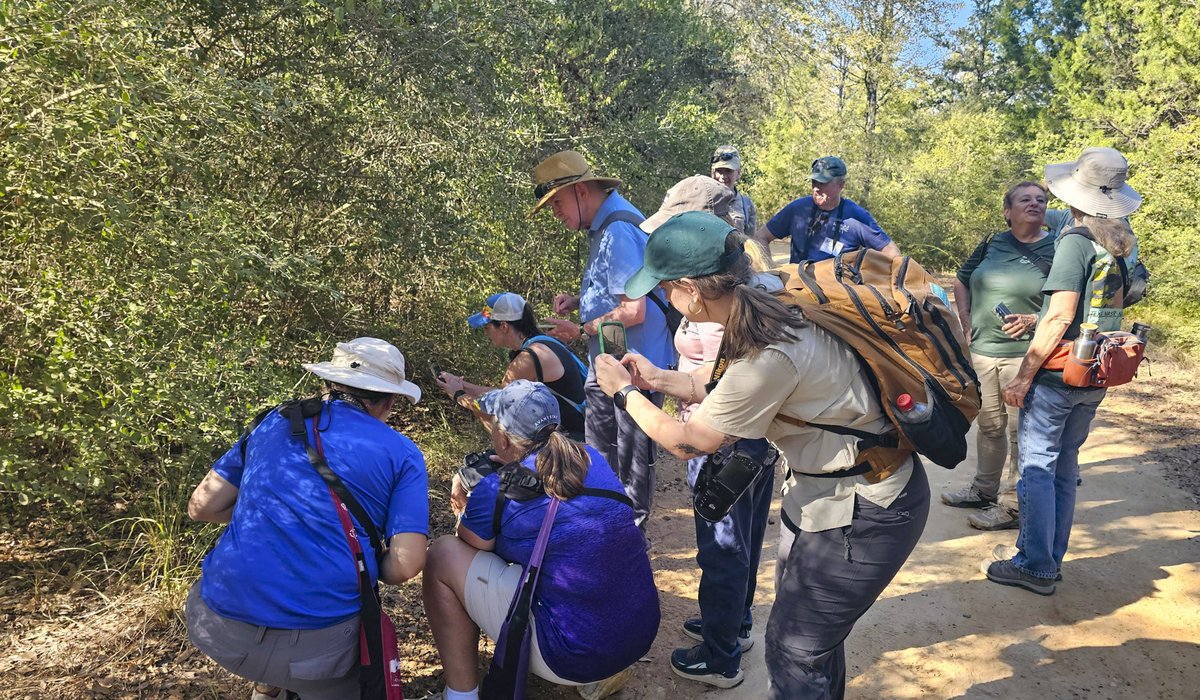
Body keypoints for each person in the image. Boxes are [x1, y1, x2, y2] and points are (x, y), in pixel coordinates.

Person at [595, 211, 930, 698]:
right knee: (811, 643)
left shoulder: (770, 349)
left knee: (795, 650)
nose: (662, 298)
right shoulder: (770, 298)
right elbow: (727, 386)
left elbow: (689, 442)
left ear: (690, 287)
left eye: (664, 288)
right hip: (831, 498)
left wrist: (625, 394)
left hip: (863, 510)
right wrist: (657, 379)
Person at [185, 338, 429, 700]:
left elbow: (201, 507)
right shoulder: (403, 454)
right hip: (319, 652)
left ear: (328, 383)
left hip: (217, 630)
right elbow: (407, 564)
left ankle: (268, 687)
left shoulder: (272, 421)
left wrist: (277, 512)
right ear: (389, 401)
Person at [421, 380, 659, 700]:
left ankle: (460, 694)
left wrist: (465, 507)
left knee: (443, 555)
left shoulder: (496, 489)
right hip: (638, 635)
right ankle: (603, 672)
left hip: (570, 657)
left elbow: (469, 548)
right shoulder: (592, 457)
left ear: (502, 439)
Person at [640, 177, 779, 688]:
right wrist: (659, 378)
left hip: (726, 438)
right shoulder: (754, 282)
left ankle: (721, 655)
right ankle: (733, 624)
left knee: (721, 546)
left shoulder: (723, 306)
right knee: (741, 536)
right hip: (756, 438)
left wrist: (628, 392)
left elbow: (700, 423)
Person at [990, 147, 1142, 595]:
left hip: (1058, 375)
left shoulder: (1075, 242)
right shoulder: (1120, 244)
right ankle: (1050, 558)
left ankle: (1035, 565)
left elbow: (1060, 317)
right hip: (1096, 372)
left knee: (1037, 467)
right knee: (1064, 466)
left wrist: (1023, 376)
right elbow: (1104, 313)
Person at [530, 149, 675, 530]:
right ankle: (607, 531)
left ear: (580, 191)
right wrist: (579, 301)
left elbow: (634, 310)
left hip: (633, 369)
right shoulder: (605, 225)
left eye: (556, 203)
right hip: (612, 364)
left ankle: (629, 540)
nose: (555, 213)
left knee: (630, 463)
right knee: (602, 457)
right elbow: (617, 289)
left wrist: (580, 330)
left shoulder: (618, 230)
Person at [941, 182, 1055, 531]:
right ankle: (983, 490)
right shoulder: (992, 243)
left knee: (1022, 432)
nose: (1034, 204)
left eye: (1040, 200)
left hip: (1026, 356)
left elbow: (1070, 299)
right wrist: (965, 318)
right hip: (983, 352)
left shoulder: (1058, 248)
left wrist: (1034, 320)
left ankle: (1012, 506)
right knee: (990, 425)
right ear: (1008, 211)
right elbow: (961, 280)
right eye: (1025, 200)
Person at [436, 291, 587, 439]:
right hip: (585, 428)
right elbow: (503, 394)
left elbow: (500, 407)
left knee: (502, 427)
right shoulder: (543, 342)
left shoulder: (528, 358)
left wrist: (459, 396)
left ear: (503, 326)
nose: (485, 333)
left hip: (574, 439)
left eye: (487, 327)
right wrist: (462, 385)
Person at [754, 155, 900, 264]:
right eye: (814, 182)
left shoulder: (856, 217)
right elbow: (761, 236)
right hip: (797, 291)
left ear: (841, 185)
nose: (816, 187)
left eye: (823, 182)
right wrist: (769, 271)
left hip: (837, 296)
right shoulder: (798, 209)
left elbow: (892, 253)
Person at [709, 145, 757, 237]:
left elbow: (751, 243)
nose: (723, 176)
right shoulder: (702, 200)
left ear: (738, 173)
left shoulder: (747, 205)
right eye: (719, 171)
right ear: (712, 173)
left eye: (728, 171)